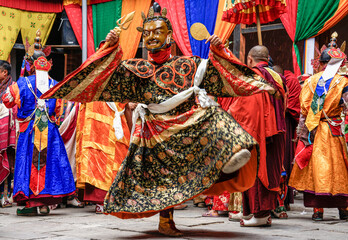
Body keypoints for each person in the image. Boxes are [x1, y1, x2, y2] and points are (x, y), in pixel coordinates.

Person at [42, 3, 276, 237]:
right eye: (147, 33)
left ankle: (227, 156)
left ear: (170, 36)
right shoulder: (135, 68)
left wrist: (219, 50)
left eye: (157, 31)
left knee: (213, 113)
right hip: (153, 132)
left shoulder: (189, 64)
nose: (152, 37)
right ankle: (166, 222)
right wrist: (109, 47)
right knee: (163, 181)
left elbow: (221, 75)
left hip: (185, 127)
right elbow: (104, 75)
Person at [2, 30, 75, 216]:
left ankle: (31, 203)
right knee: (48, 163)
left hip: (29, 132)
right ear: (47, 64)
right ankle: (44, 203)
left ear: (30, 64)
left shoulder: (22, 83)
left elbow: (7, 100)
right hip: (49, 131)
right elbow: (61, 110)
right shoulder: (55, 85)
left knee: (28, 163)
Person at [289, 33, 348, 221]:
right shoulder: (343, 82)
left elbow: (304, 110)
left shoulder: (311, 81)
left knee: (316, 169)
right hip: (334, 130)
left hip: (314, 130)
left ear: (322, 63)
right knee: (339, 168)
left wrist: (302, 133)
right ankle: (343, 209)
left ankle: (318, 211)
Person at [227, 46, 286, 227]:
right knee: (270, 170)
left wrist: (228, 115)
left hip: (257, 131)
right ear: (267, 59)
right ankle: (263, 214)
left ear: (250, 59)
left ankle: (259, 215)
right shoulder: (277, 76)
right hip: (276, 131)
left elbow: (244, 108)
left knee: (256, 172)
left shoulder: (253, 76)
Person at [74, 102, 130, 213]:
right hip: (94, 114)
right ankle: (101, 200)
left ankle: (113, 198)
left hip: (113, 113)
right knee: (95, 155)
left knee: (116, 153)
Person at [273, 65, 301, 214]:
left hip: (285, 123)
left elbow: (294, 105)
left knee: (282, 160)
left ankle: (284, 199)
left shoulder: (291, 81)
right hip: (275, 122)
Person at [0, 60, 17, 208]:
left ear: (5, 73)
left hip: (8, 129)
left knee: (8, 161)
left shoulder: (13, 87)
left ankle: (6, 196)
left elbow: (15, 107)